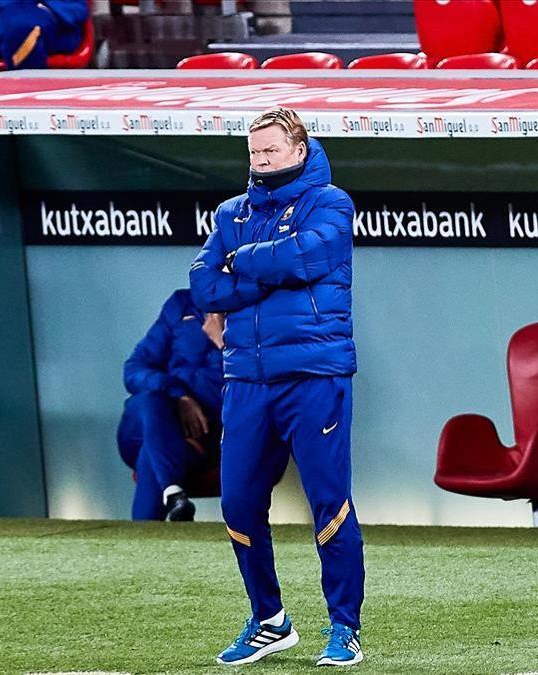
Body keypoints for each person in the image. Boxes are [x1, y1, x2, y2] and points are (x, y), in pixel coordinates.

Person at [189, 107, 364, 667]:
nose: (261, 162)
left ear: (299, 150)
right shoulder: (230, 213)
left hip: (316, 375)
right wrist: (264, 276)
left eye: (270, 152)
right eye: (254, 153)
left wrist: (244, 264)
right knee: (237, 504)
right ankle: (269, 622)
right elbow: (203, 287)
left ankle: (343, 628)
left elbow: (310, 254)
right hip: (246, 380)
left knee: (328, 505)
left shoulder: (332, 202)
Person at [117, 289, 224, 522]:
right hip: (145, 422)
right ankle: (174, 492)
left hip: (202, 437)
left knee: (151, 453)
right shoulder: (181, 304)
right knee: (152, 399)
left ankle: (169, 500)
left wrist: (223, 342)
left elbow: (262, 383)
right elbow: (133, 368)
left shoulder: (256, 314)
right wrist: (179, 396)